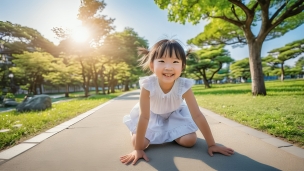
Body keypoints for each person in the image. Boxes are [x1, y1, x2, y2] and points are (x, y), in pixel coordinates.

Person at [120, 39, 234, 165]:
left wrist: (212, 144)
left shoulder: (183, 85)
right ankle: (137, 131)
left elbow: (197, 115)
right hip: (151, 115)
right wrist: (138, 149)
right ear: (152, 65)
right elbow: (144, 116)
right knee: (138, 142)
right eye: (162, 61)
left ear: (182, 66)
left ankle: (171, 132)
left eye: (175, 62)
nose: (168, 67)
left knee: (190, 141)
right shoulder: (148, 85)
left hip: (174, 114)